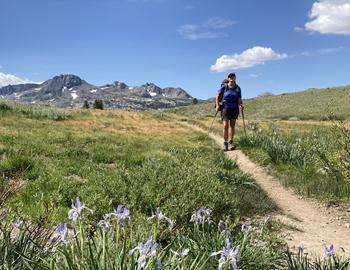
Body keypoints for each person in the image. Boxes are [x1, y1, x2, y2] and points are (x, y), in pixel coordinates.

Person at [215, 72, 244, 151]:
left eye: (233, 76)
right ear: (228, 78)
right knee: (225, 125)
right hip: (225, 108)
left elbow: (239, 98)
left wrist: (241, 104)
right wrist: (217, 105)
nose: (231, 78)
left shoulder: (238, 88)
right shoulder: (224, 87)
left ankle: (231, 142)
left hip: (234, 108)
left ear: (235, 78)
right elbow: (217, 96)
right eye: (230, 77)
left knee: (232, 125)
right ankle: (225, 143)